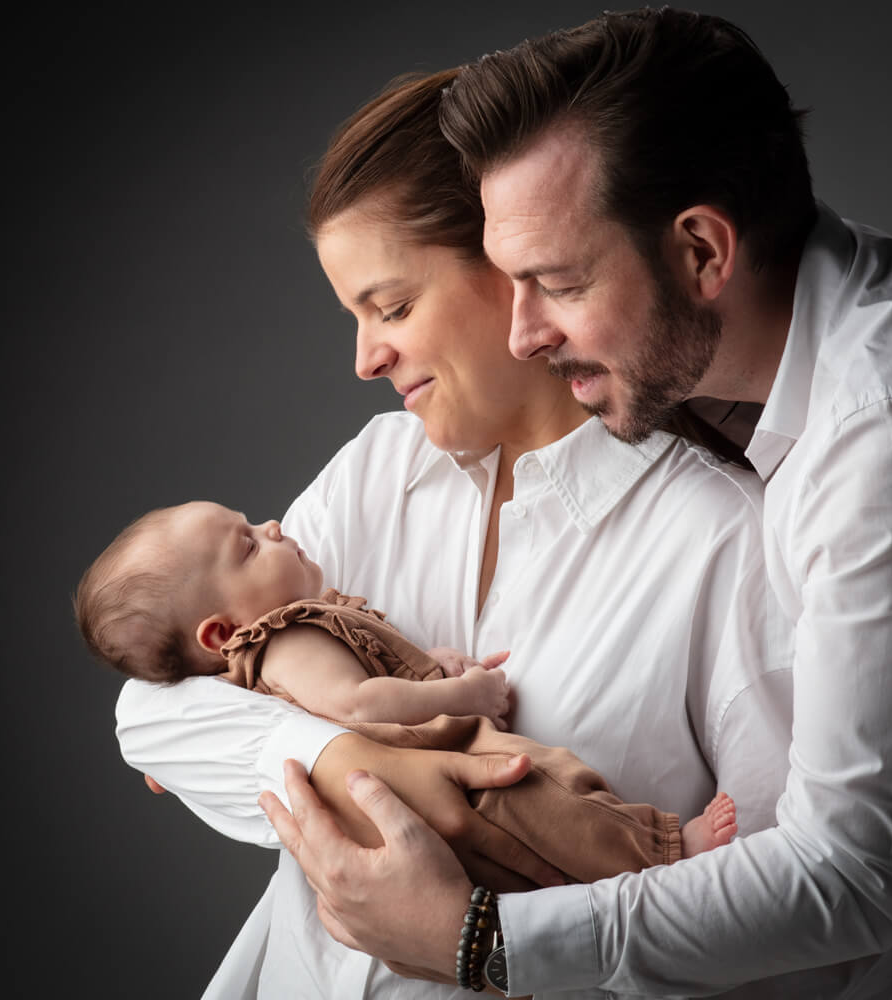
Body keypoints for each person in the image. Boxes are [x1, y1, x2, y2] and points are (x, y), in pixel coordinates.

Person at [262, 9, 892, 998]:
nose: (523, 331)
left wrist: (481, 937)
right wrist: (355, 746)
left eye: (551, 281)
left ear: (703, 251)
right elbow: (167, 685)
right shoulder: (769, 371)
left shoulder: (878, 439)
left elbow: (852, 888)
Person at [114, 68, 792, 999]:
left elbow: (794, 924)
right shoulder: (377, 471)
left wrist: (481, 938)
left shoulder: (725, 537)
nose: (364, 359)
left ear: (516, 267)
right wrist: (351, 758)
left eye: (391, 307)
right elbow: (151, 710)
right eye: (354, 316)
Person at [81, 499, 738, 872]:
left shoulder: (301, 626)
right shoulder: (284, 638)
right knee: (546, 792)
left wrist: (438, 663)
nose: (273, 528)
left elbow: (375, 670)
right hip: (434, 774)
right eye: (249, 546)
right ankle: (666, 849)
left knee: (550, 797)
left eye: (252, 522)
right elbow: (358, 703)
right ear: (221, 635)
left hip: (428, 774)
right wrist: (462, 695)